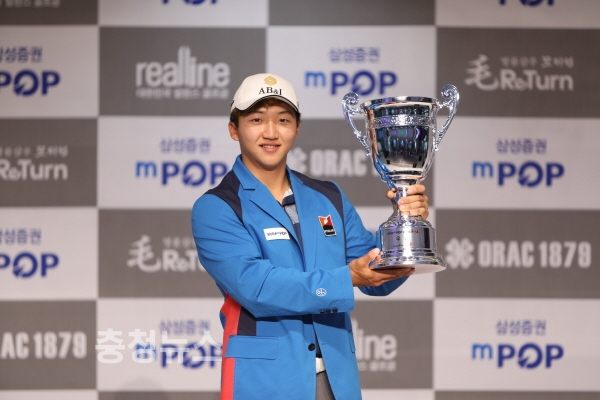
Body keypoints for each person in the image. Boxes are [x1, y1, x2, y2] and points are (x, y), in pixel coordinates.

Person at [191, 73, 429, 400]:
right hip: (265, 383)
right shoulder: (217, 206)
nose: (271, 132)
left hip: (336, 379)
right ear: (234, 129)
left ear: (297, 128)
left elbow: (379, 279)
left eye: (283, 120)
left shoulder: (327, 196)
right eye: (257, 120)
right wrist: (348, 277)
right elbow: (258, 288)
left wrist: (405, 226)